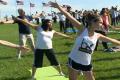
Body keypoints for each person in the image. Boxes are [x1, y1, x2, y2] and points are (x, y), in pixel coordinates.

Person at [50, 2, 120, 80]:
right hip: (74, 60)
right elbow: (69, 16)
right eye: (100, 22)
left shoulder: (98, 35)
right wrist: (58, 7)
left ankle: (81, 71)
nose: (102, 24)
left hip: (86, 62)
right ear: (92, 22)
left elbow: (112, 40)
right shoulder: (82, 29)